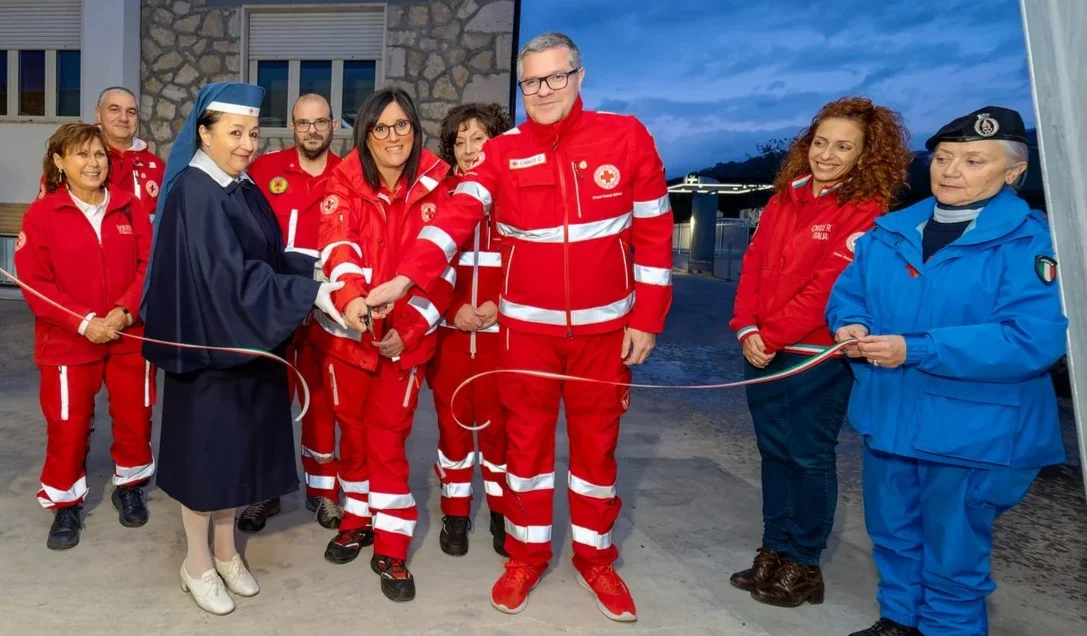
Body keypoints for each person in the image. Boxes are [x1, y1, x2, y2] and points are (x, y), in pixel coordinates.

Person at [363, 33, 674, 622]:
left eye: (556, 77)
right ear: (521, 87)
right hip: (526, 335)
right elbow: (456, 217)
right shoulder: (503, 152)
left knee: (596, 453)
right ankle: (527, 556)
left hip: (604, 337)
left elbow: (656, 233)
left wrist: (647, 318)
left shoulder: (625, 136)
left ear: (580, 76)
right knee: (525, 451)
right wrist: (406, 279)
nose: (544, 90)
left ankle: (596, 558)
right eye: (532, 81)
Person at [826, 106, 1067, 636]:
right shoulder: (890, 231)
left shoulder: (1032, 241)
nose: (950, 170)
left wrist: (918, 348)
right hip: (890, 415)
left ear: (1012, 173)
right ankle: (899, 621)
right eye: (943, 157)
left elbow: (1033, 337)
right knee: (892, 533)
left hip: (973, 430)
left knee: (953, 552)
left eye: (973, 160)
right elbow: (848, 297)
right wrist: (850, 324)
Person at [140, 82, 345, 616]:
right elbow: (228, 279)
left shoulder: (240, 184)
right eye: (235, 133)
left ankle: (227, 551)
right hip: (210, 351)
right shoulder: (195, 191)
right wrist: (311, 292)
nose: (248, 143)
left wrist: (313, 269)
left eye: (253, 132)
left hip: (245, 342)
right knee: (205, 462)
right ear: (203, 134)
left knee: (236, 458)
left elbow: (267, 256)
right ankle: (196, 563)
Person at [727, 97, 913, 608]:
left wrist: (774, 334)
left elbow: (828, 286)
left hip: (813, 355)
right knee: (773, 453)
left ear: (864, 154)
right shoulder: (785, 197)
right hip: (761, 346)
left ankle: (804, 563)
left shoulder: (866, 209)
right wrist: (745, 328)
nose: (827, 155)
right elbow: (753, 263)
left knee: (808, 457)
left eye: (843, 147)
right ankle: (774, 548)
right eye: (821, 142)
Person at [316, 87, 455, 603]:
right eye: (381, 127)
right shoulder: (343, 178)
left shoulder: (439, 184)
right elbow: (337, 242)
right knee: (351, 434)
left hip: (405, 344)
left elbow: (444, 268)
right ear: (365, 134)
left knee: (387, 440)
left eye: (402, 126)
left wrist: (411, 328)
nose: (393, 137)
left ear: (415, 129)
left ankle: (392, 542)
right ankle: (357, 518)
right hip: (349, 338)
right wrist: (353, 301)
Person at [14, 123, 156, 550]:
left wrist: (126, 310)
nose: (93, 163)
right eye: (81, 155)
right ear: (59, 162)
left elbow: (148, 264)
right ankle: (66, 502)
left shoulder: (130, 207)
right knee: (68, 424)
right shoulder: (41, 215)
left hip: (128, 335)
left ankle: (130, 484)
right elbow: (36, 283)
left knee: (135, 415)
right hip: (67, 342)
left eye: (98, 155)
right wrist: (83, 321)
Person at [238, 93, 344, 533]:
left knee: (321, 400)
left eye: (320, 123)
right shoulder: (264, 171)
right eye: (303, 123)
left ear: (333, 126)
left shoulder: (352, 174)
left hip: (327, 306)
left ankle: (323, 493)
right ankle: (265, 491)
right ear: (292, 127)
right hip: (272, 306)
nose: (312, 131)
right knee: (267, 400)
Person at [427, 103, 514, 558]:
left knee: (500, 431)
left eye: (478, 138)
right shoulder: (443, 199)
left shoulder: (516, 199)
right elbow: (429, 267)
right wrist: (454, 310)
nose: (467, 150)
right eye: (459, 142)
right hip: (452, 337)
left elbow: (527, 268)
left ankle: (502, 514)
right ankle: (455, 513)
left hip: (502, 339)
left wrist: (501, 306)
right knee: (453, 429)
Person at [36, 87, 165, 222]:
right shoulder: (73, 159)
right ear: (99, 113)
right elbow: (42, 219)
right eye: (114, 110)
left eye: (131, 112)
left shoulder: (156, 166)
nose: (124, 118)